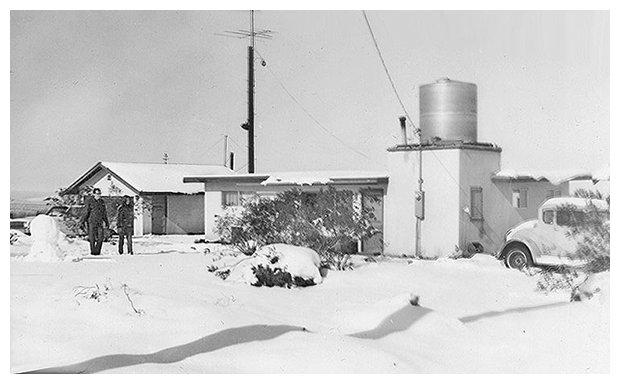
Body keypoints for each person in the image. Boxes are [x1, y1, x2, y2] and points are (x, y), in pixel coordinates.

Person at [81, 188, 109, 255]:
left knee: (100, 237)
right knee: (92, 238)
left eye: (99, 194)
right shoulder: (90, 201)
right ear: (94, 194)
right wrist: (83, 221)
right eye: (97, 194)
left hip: (99, 222)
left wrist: (106, 221)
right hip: (92, 221)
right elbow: (86, 212)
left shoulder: (101, 202)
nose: (98, 195)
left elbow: (104, 213)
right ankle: (93, 252)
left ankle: (97, 251)